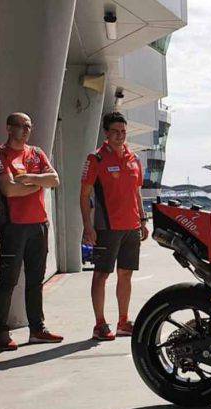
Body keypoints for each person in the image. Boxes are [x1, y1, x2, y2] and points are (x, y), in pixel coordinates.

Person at [0, 112, 63, 351]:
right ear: (9, 128)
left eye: (29, 126)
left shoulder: (37, 153)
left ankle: (37, 330)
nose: (26, 130)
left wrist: (29, 178)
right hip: (14, 227)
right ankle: (1, 333)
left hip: (39, 225)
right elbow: (8, 190)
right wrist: (40, 183)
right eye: (21, 126)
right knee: (8, 280)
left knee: (35, 281)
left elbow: (55, 180)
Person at [80, 112, 149, 341]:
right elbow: (84, 195)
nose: (119, 136)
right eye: (115, 132)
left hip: (131, 227)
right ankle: (99, 324)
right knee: (101, 275)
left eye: (123, 132)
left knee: (126, 274)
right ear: (106, 133)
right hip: (106, 227)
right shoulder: (96, 159)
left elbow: (136, 192)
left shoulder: (134, 159)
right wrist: (87, 227)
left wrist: (142, 220)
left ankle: (123, 321)